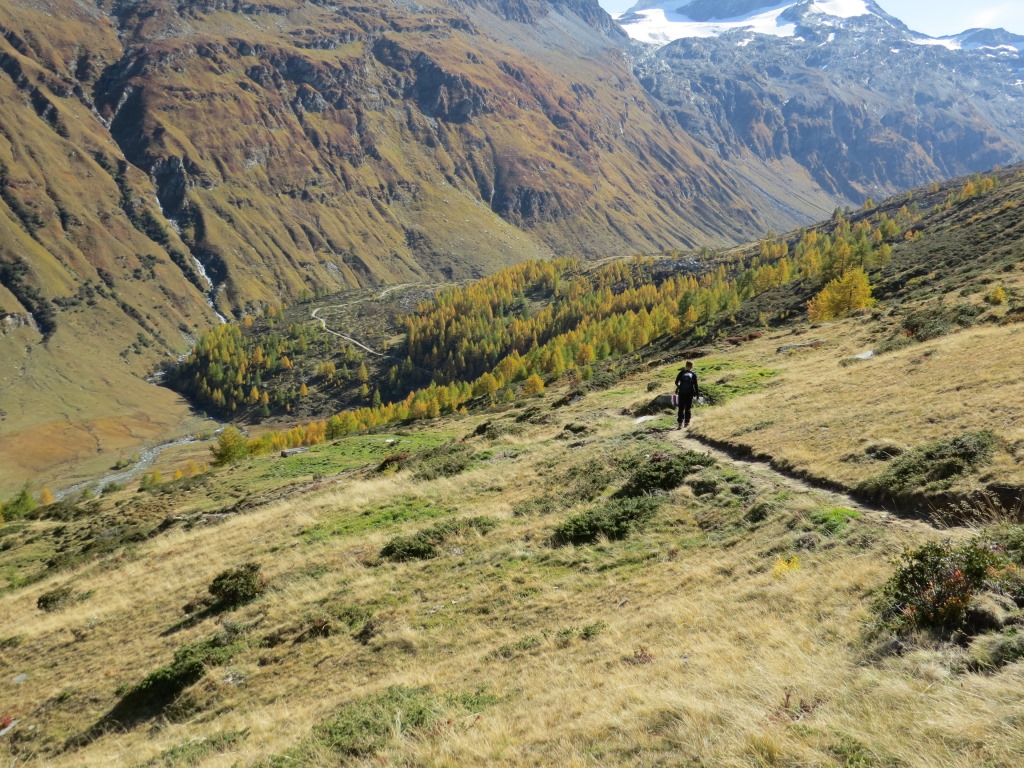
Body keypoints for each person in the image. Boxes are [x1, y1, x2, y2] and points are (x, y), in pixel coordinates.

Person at [674, 360, 698, 430]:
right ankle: (687, 423)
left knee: (681, 408)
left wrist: (679, 387)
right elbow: (696, 385)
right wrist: (697, 394)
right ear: (692, 366)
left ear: (686, 365)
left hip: (681, 393)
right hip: (689, 393)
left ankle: (680, 423)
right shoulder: (693, 374)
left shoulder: (681, 372)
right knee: (688, 408)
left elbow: (676, 382)